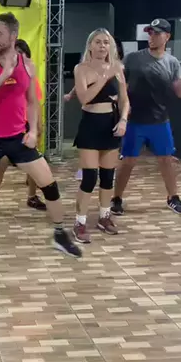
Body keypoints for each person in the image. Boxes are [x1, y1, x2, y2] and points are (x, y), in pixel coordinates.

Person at [0, 13, 81, 260]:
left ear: (13, 35)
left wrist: (32, 130)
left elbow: (32, 101)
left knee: (50, 185)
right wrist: (3, 75)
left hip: (17, 138)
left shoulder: (28, 65)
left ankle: (60, 235)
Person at [111, 18, 181, 216]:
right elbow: (121, 83)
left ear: (167, 36)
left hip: (159, 120)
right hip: (135, 120)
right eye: (150, 33)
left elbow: (178, 93)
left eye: (156, 33)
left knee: (166, 160)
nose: (152, 36)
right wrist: (120, 101)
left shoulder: (172, 63)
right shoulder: (133, 58)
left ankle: (173, 197)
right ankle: (116, 198)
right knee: (128, 161)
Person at [70, 29, 130, 243]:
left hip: (111, 125)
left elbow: (125, 99)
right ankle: (80, 221)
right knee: (89, 178)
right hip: (90, 125)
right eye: (98, 42)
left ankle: (104, 216)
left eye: (106, 42)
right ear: (90, 45)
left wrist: (123, 120)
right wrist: (105, 75)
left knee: (107, 176)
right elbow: (84, 98)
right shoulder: (81, 69)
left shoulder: (118, 67)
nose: (102, 46)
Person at [0, 39, 47, 215]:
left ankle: (32, 196)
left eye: (22, 55)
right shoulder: (2, 77)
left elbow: (36, 103)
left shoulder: (31, 79)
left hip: (26, 125)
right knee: (1, 164)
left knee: (33, 164)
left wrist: (37, 126)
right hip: (7, 127)